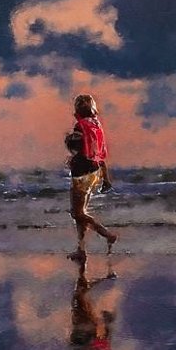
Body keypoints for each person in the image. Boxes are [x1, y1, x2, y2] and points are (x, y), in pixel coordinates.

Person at [64, 93, 117, 260]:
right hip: (95, 171)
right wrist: (106, 178)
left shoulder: (80, 126)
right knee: (81, 211)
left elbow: (76, 146)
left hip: (81, 172)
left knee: (77, 213)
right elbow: (100, 154)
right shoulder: (96, 125)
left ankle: (106, 234)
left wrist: (68, 140)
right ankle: (81, 249)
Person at [67, 254, 117, 350]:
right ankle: (102, 275)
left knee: (80, 297)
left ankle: (85, 267)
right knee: (80, 296)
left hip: (88, 333)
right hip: (90, 334)